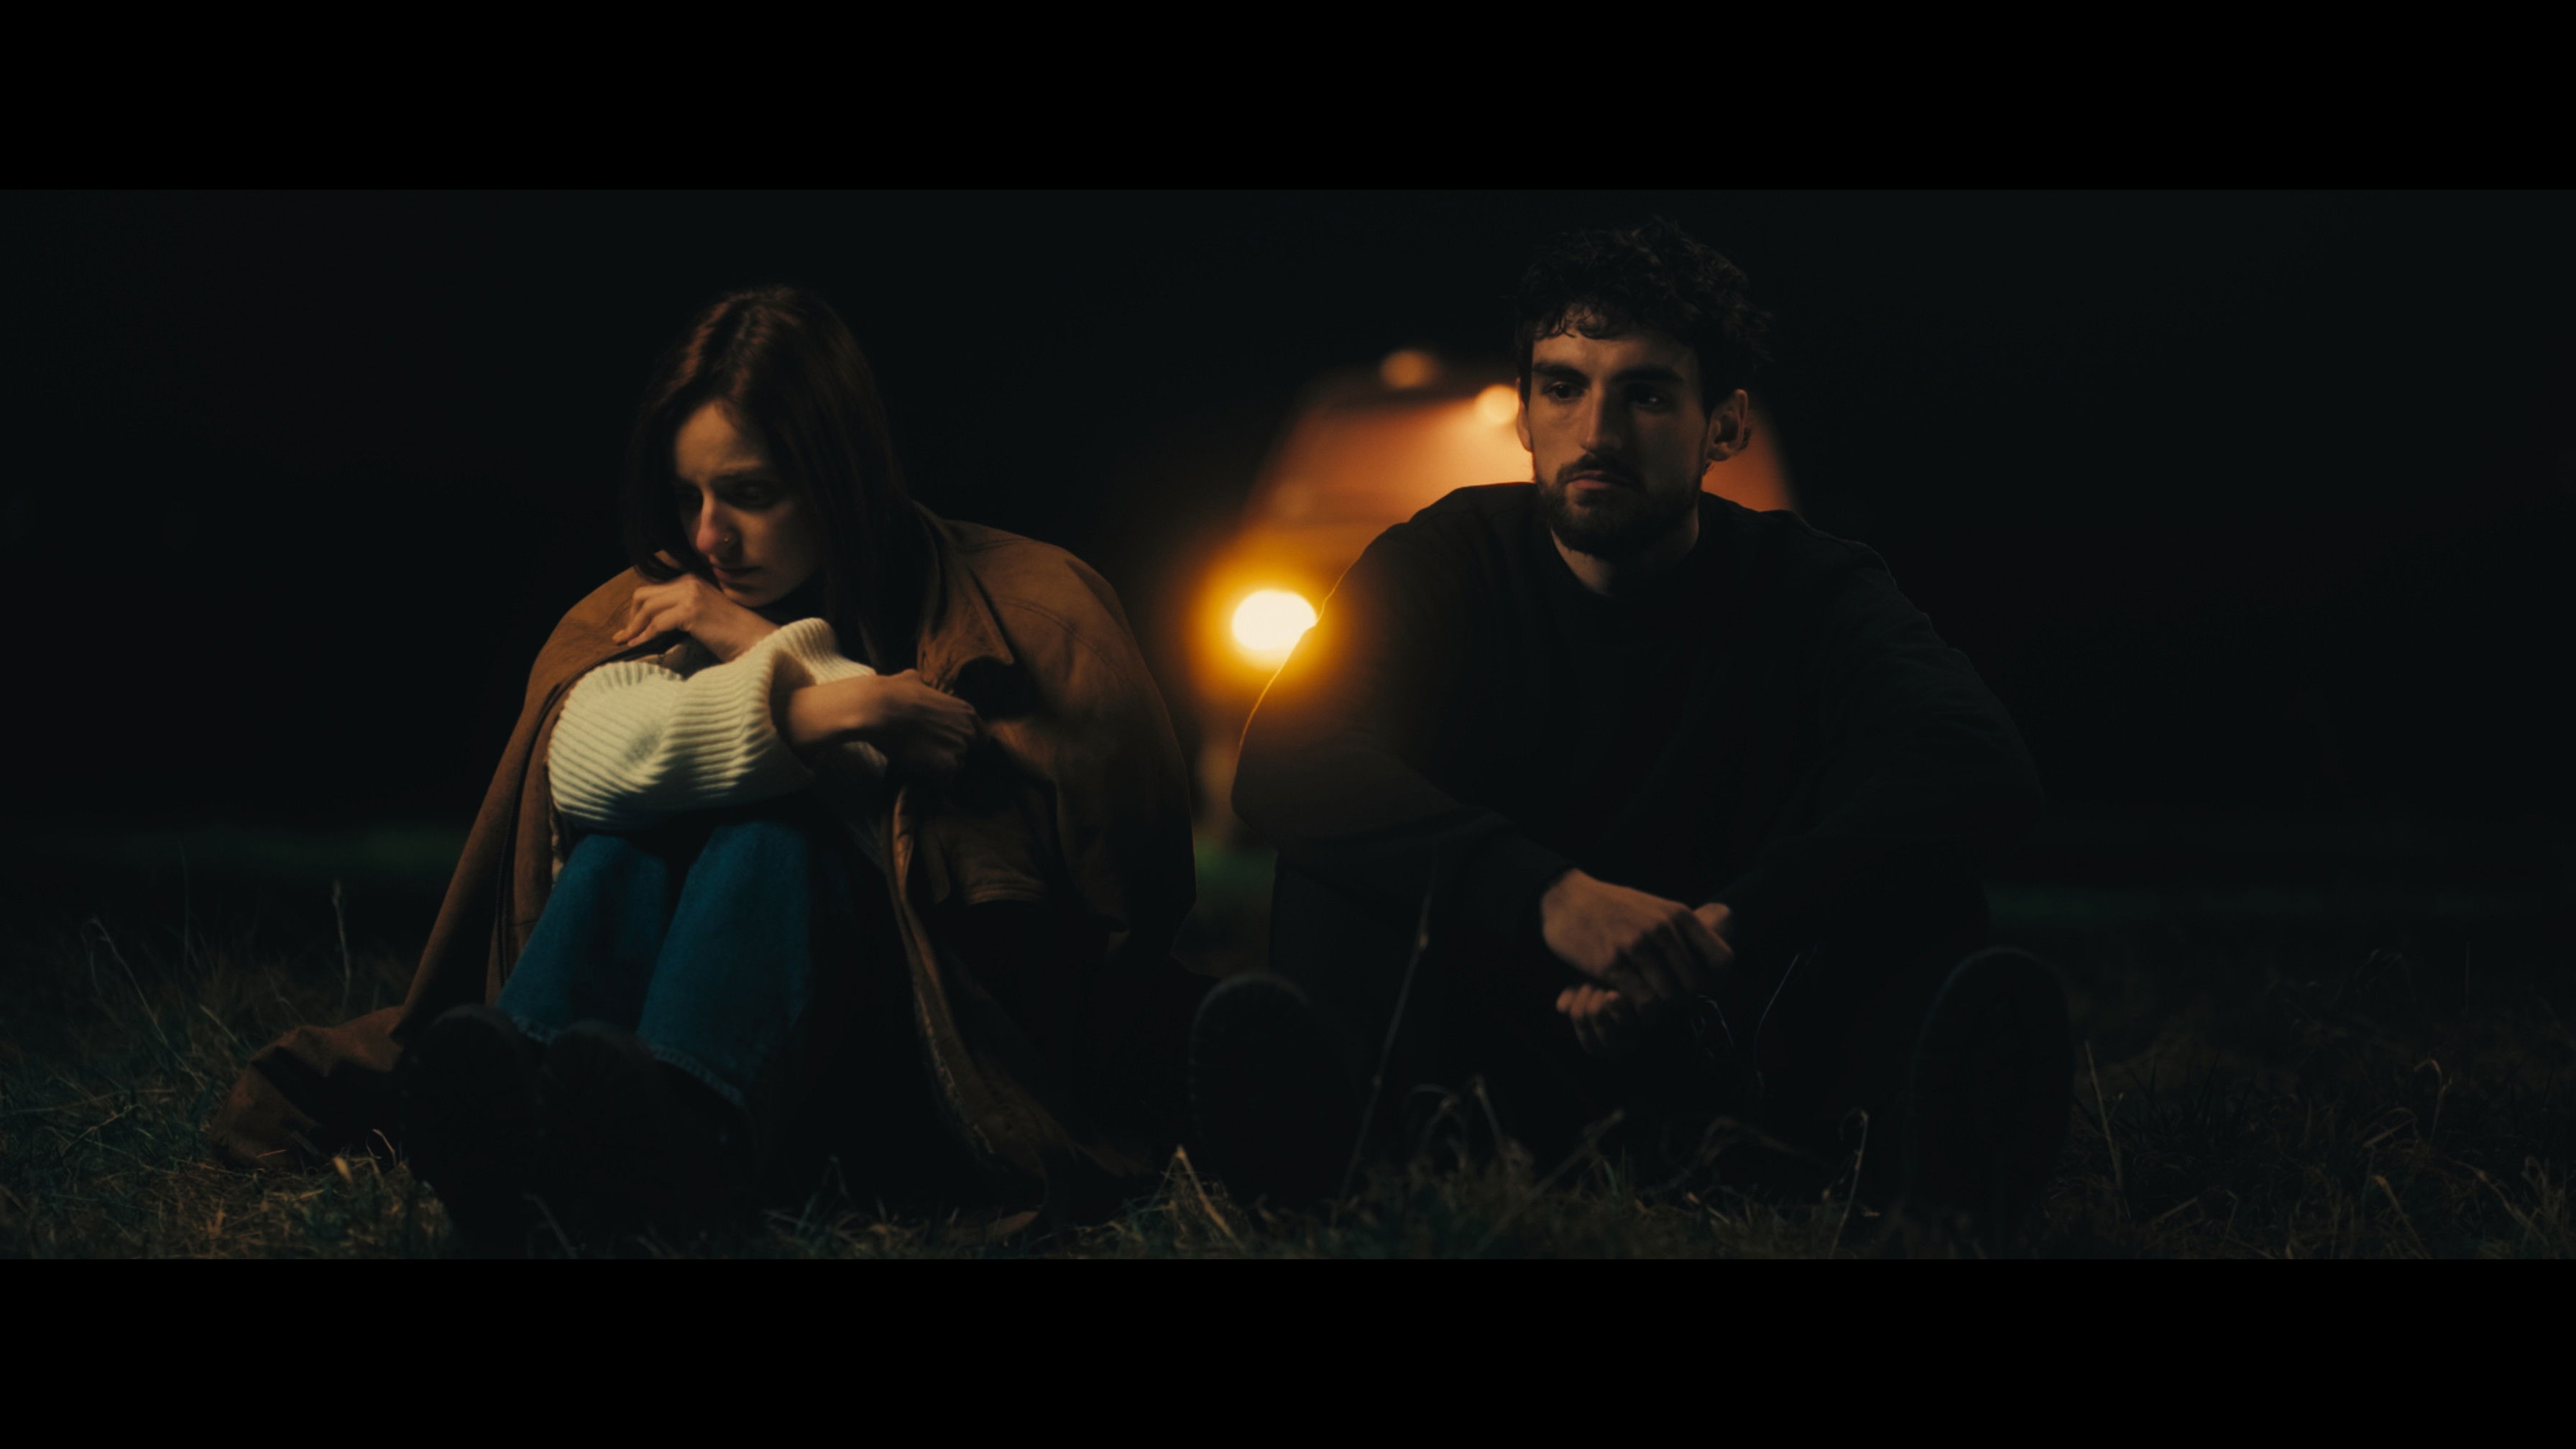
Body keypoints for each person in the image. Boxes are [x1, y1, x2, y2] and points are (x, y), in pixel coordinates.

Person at [208, 285, 1200, 1248]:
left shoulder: (1025, 607)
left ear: (843, 477)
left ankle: (684, 1129)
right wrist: (829, 705)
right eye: (689, 497)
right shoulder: (662, 600)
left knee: (772, 827)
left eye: (751, 495)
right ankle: (520, 1102)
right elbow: (585, 767)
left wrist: (755, 656)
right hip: (629, 1045)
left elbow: (1115, 890)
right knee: (631, 839)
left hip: (882, 1060)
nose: (708, 537)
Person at [1197, 219, 2070, 1241]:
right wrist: (1552, 899)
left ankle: (1941, 1183)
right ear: (1527, 414)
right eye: (1563, 388)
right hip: (1491, 1055)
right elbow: (1284, 759)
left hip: (1739, 1048)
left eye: (1646, 395)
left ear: (1724, 427)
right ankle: (1322, 1169)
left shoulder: (1811, 586)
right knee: (1336, 855)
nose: (1597, 433)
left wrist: (1722, 933)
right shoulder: (1445, 558)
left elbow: (1982, 765)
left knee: (1923, 863)